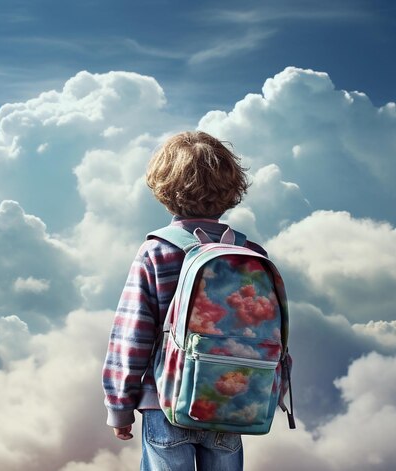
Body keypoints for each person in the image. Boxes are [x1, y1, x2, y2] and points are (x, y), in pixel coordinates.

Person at [102, 131, 268, 471]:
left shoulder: (156, 251)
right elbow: (271, 333)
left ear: (165, 190)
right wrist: (267, 392)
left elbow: (132, 337)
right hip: (229, 403)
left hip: (165, 402)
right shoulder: (251, 255)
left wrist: (119, 405)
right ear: (231, 189)